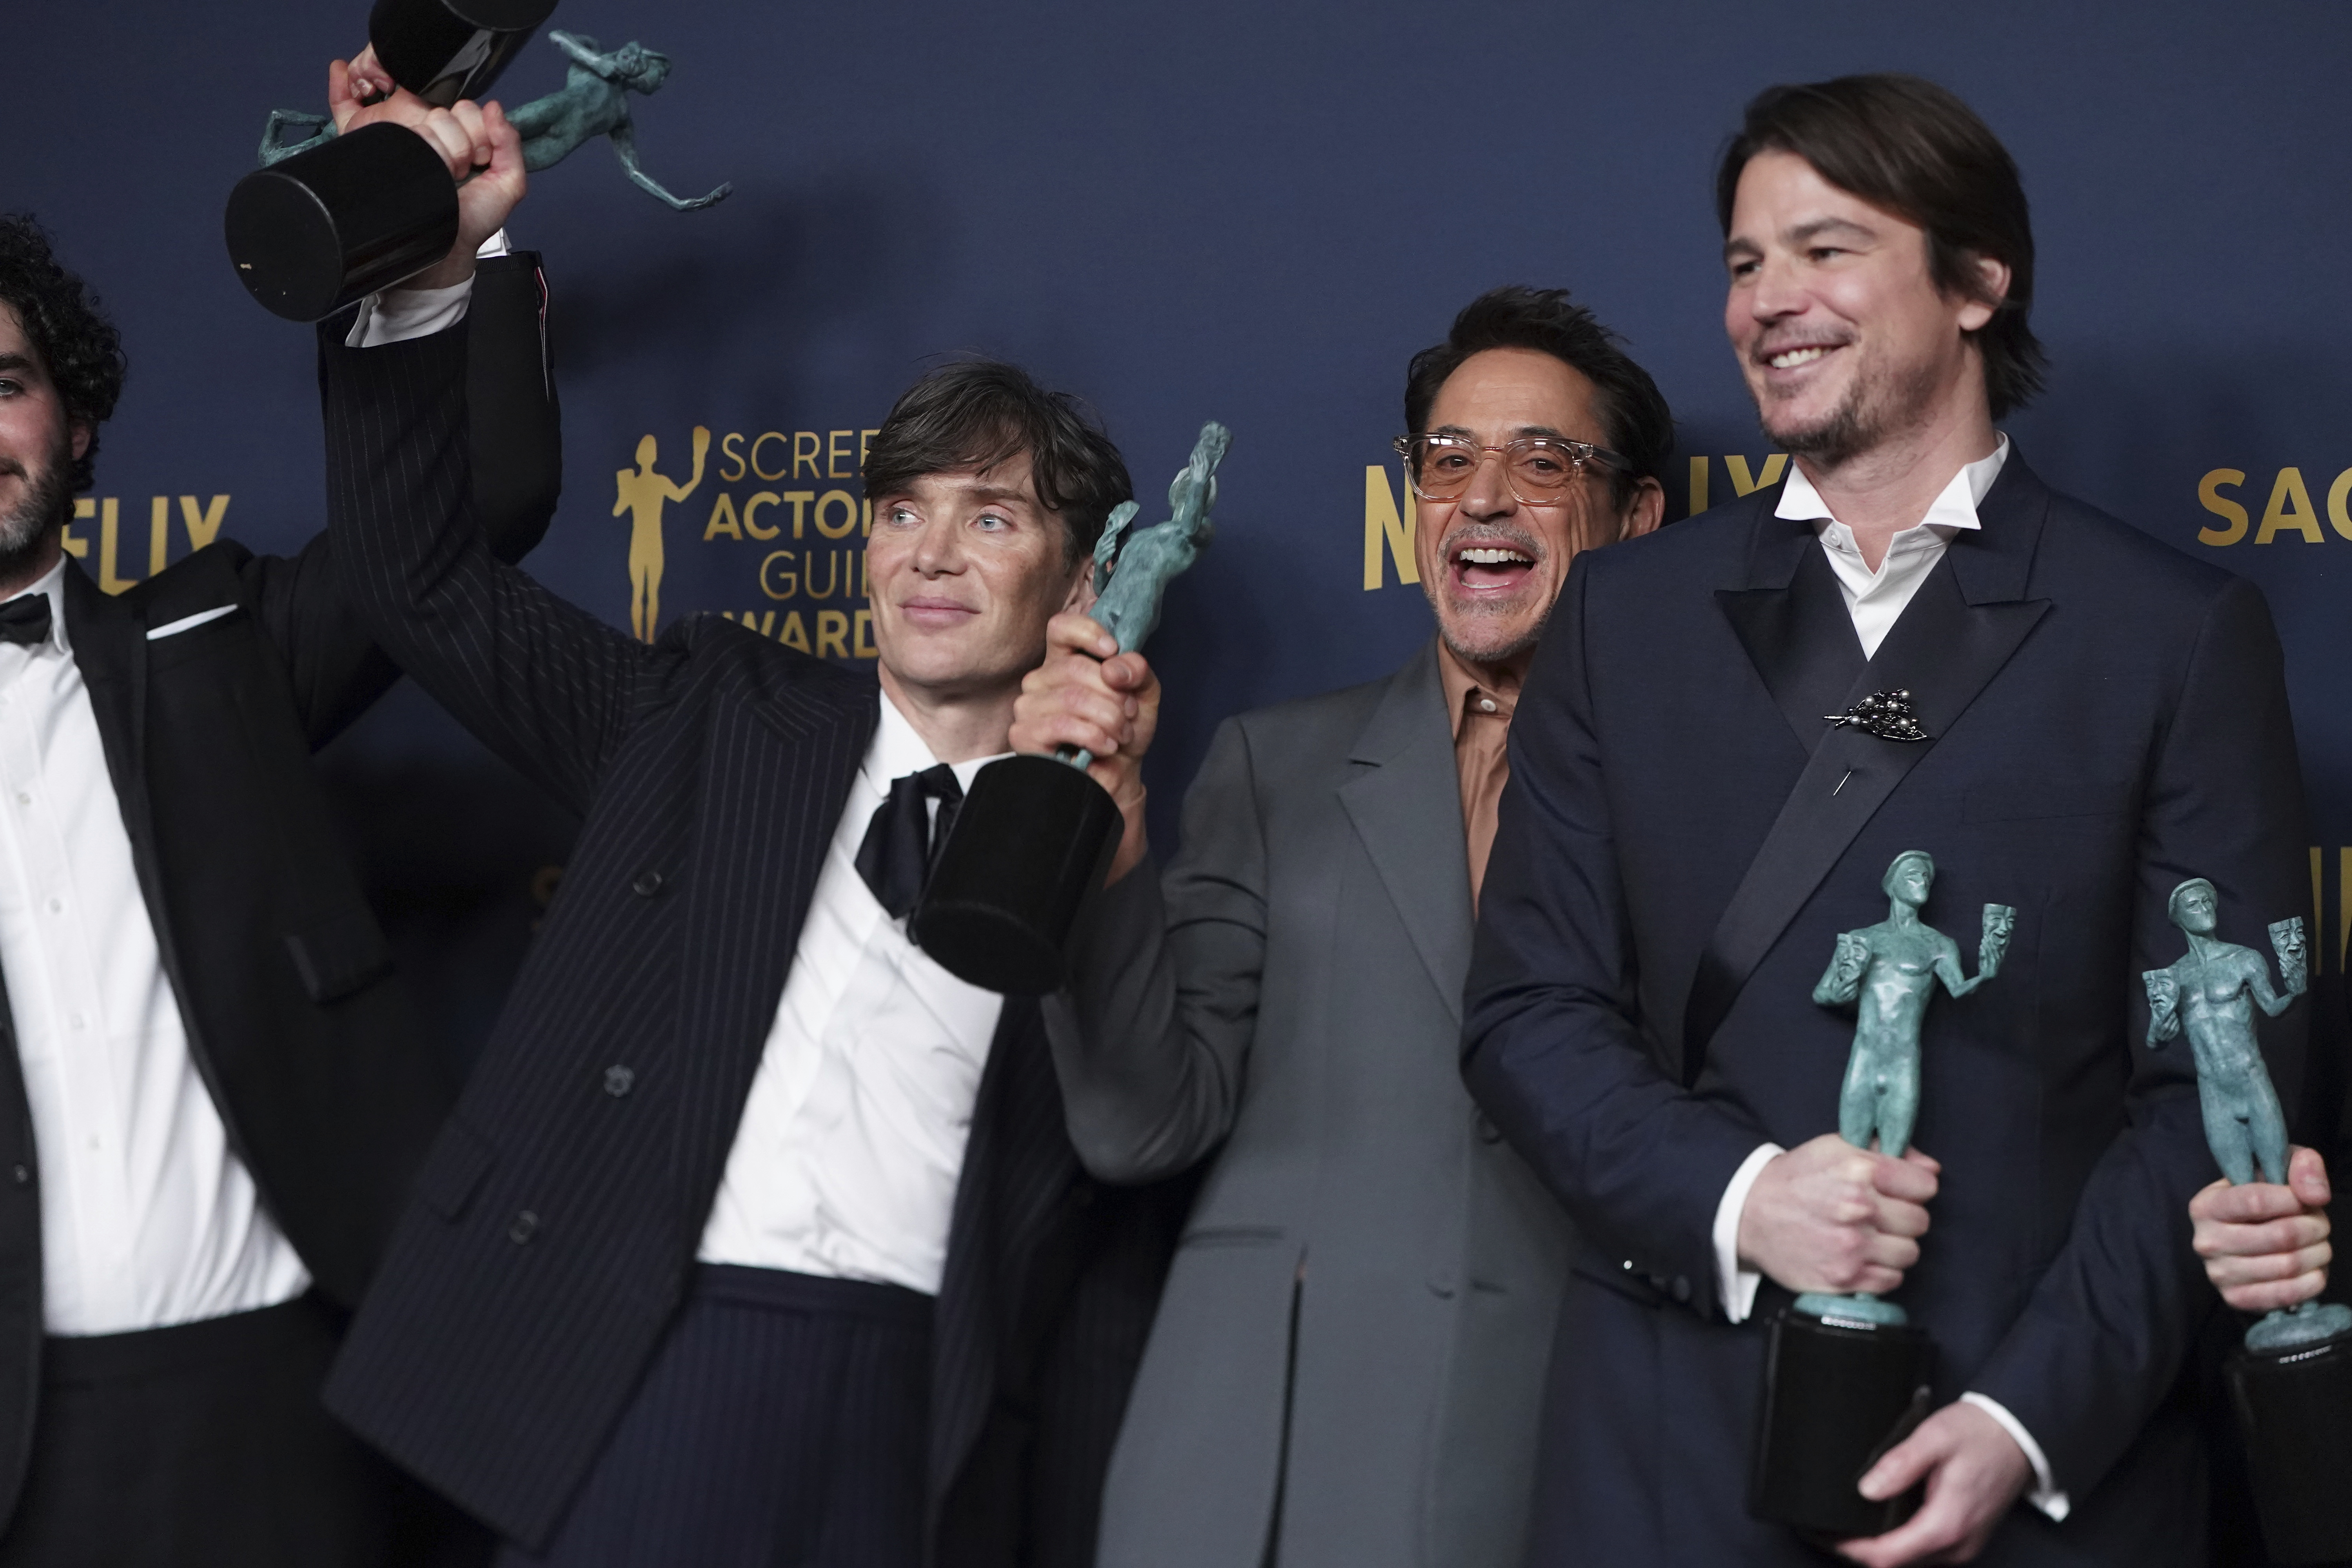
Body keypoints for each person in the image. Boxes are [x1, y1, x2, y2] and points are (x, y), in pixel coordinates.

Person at [309, 63, 1179, 1568]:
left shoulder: (1111, 848)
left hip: (920, 1409)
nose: (932, 554)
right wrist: (425, 278)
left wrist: (1109, 848)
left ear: (1079, 576)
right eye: (901, 509)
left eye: (994, 515)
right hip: (651, 1356)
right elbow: (422, 585)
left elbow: (1128, 1160)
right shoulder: (708, 716)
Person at [1461, 74, 2310, 1567]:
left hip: (2035, 1450)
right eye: (1744, 263)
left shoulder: (2170, 633)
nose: (1769, 302)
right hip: (1670, 1446)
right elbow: (1530, 1011)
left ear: (1979, 280)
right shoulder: (1624, 619)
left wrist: (2028, 1422)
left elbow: (2214, 1083)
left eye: (1827, 248)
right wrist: (1743, 1203)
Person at [1008, 285, 1668, 1567]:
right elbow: (1142, 1120)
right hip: (1262, 1467)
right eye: (1447, 459)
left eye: (1543, 463)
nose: (1483, 497)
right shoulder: (1276, 765)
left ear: (1635, 517)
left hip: (1570, 1453)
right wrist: (1108, 844)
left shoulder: (1713, 798)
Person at [0, 212, 558, 1566]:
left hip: (284, 1403)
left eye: (3, 384)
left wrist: (424, 267)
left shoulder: (216, 651)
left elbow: (469, 514)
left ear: (74, 427)